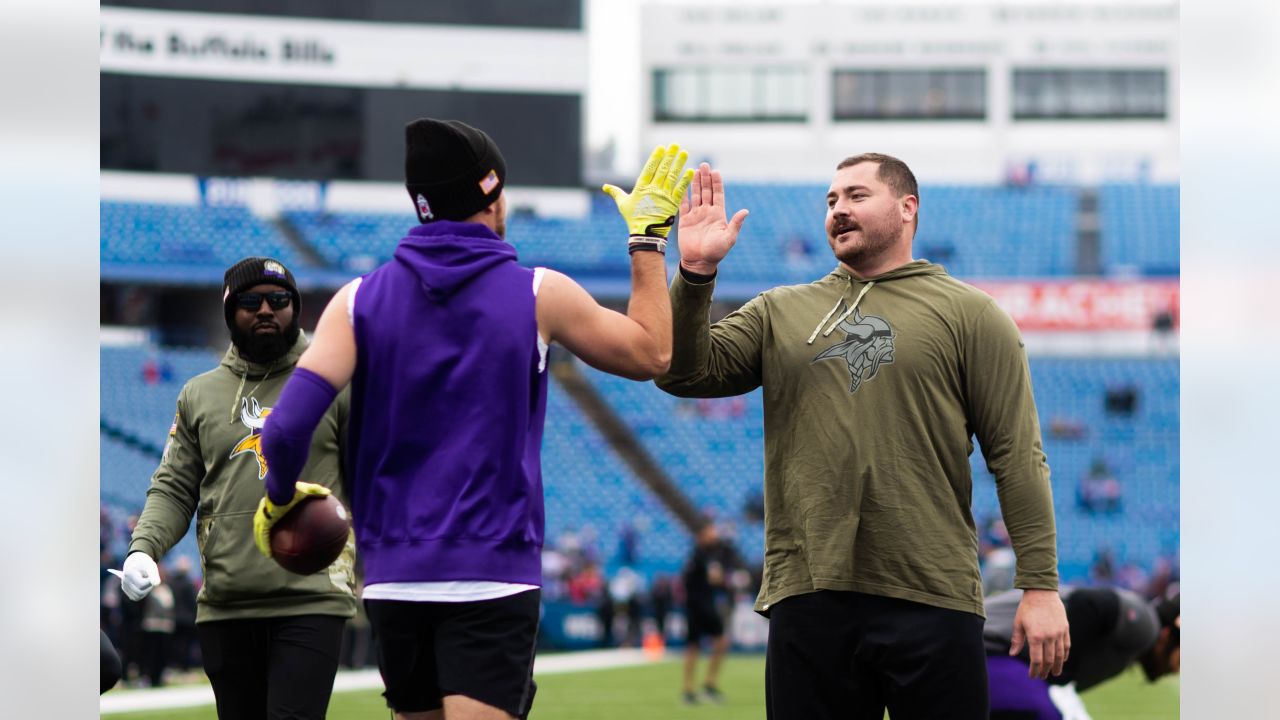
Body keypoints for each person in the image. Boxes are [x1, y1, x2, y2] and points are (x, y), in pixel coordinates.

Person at [252, 119, 692, 720]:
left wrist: (280, 502)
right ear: (493, 195)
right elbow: (653, 354)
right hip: (491, 573)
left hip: (393, 581)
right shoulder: (539, 293)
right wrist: (647, 240)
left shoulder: (356, 301)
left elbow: (282, 429)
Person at [655, 154, 1070, 719]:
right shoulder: (781, 311)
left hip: (933, 593)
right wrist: (696, 275)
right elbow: (683, 373)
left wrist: (1040, 586)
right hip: (809, 592)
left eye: (855, 196)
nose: (838, 211)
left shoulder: (973, 315)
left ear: (906, 208)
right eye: (830, 201)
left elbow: (1018, 456)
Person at [120, 257, 356, 719]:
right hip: (228, 602)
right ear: (229, 311)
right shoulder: (199, 394)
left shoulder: (334, 381)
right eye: (251, 301)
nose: (266, 309)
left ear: (295, 308)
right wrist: (143, 549)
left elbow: (374, 473)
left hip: (312, 596)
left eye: (279, 300)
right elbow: (173, 487)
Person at [984, 587, 1180, 720]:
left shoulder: (1140, 636)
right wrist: (1059, 679)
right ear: (1168, 635)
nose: (1177, 669)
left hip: (993, 653)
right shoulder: (1147, 626)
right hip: (991, 651)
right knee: (1047, 712)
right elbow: (1089, 604)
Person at [680, 522, 733, 705]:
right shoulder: (698, 556)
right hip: (697, 607)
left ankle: (707, 684)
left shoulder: (712, 555)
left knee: (718, 643)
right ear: (701, 534)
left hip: (706, 606)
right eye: (711, 531)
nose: (715, 534)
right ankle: (690, 689)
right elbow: (712, 578)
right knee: (694, 647)